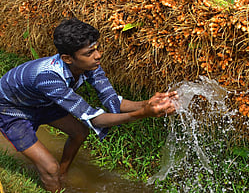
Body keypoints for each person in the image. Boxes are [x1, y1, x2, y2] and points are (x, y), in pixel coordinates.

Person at [0, 18, 178, 192]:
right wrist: (143, 113)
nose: (98, 55)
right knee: (49, 168)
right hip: (12, 109)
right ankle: (55, 178)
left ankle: (62, 175)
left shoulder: (89, 65)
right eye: (89, 53)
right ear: (67, 58)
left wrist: (148, 103)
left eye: (97, 48)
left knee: (80, 132)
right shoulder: (47, 78)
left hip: (41, 102)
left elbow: (113, 101)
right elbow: (95, 120)